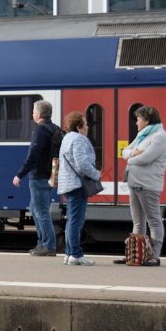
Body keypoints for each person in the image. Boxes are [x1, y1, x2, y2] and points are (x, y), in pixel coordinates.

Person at [116, 106, 166, 266]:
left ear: (147, 120)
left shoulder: (160, 137)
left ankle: (154, 255)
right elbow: (124, 151)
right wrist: (133, 153)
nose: (136, 123)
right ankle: (136, 253)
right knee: (138, 221)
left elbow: (146, 158)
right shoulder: (143, 136)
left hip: (148, 184)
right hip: (134, 182)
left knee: (153, 220)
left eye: (138, 119)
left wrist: (131, 158)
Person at [12, 100, 59, 256]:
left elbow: (33, 155)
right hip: (49, 175)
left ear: (39, 114)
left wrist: (20, 174)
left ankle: (48, 246)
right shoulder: (54, 129)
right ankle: (42, 243)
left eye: (33, 111)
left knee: (41, 211)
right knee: (34, 208)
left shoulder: (40, 131)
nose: (32, 114)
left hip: (39, 176)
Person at [57, 111, 101, 266]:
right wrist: (96, 174)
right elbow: (82, 164)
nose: (88, 127)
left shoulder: (67, 139)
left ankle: (69, 254)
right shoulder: (79, 139)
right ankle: (75, 254)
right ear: (78, 126)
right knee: (76, 221)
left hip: (68, 184)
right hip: (77, 184)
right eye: (85, 124)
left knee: (71, 220)